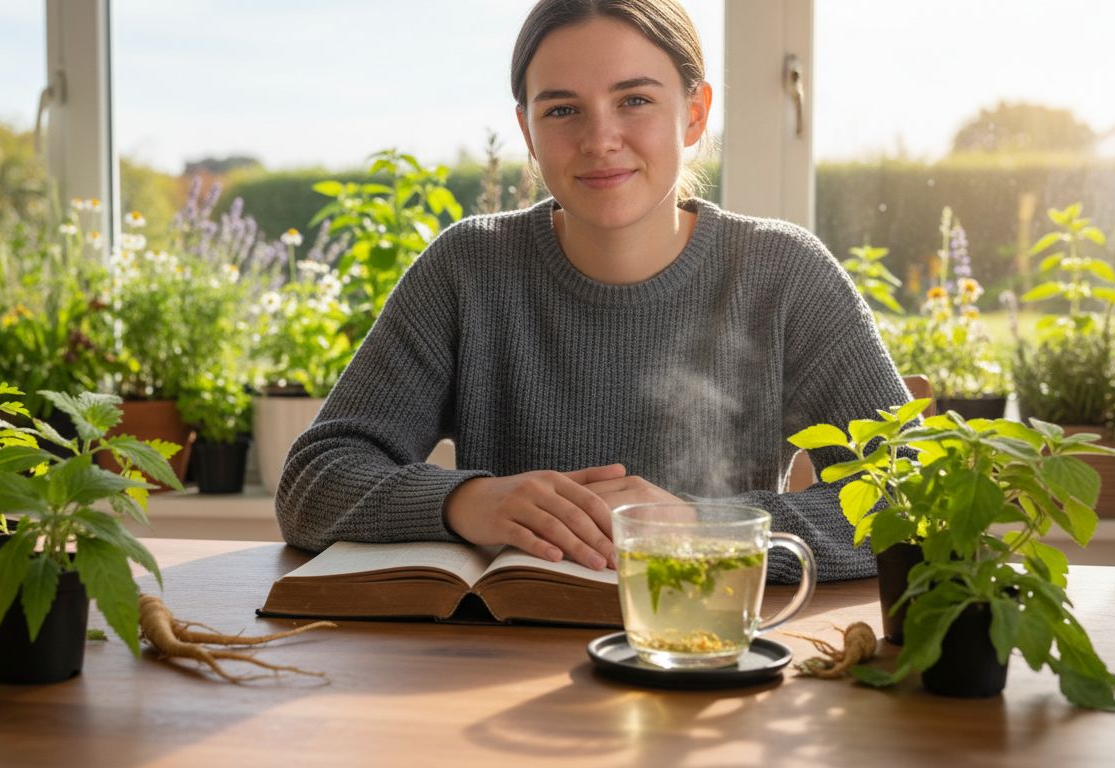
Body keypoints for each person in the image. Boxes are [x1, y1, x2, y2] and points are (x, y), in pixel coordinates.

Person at [275, 0, 909, 583]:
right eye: (562, 109)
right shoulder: (467, 270)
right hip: (496, 667)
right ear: (526, 132)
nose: (600, 139)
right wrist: (465, 501)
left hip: (703, 656)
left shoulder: (784, 274)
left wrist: (703, 528)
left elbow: (911, 496)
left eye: (634, 100)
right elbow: (314, 479)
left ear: (694, 115)